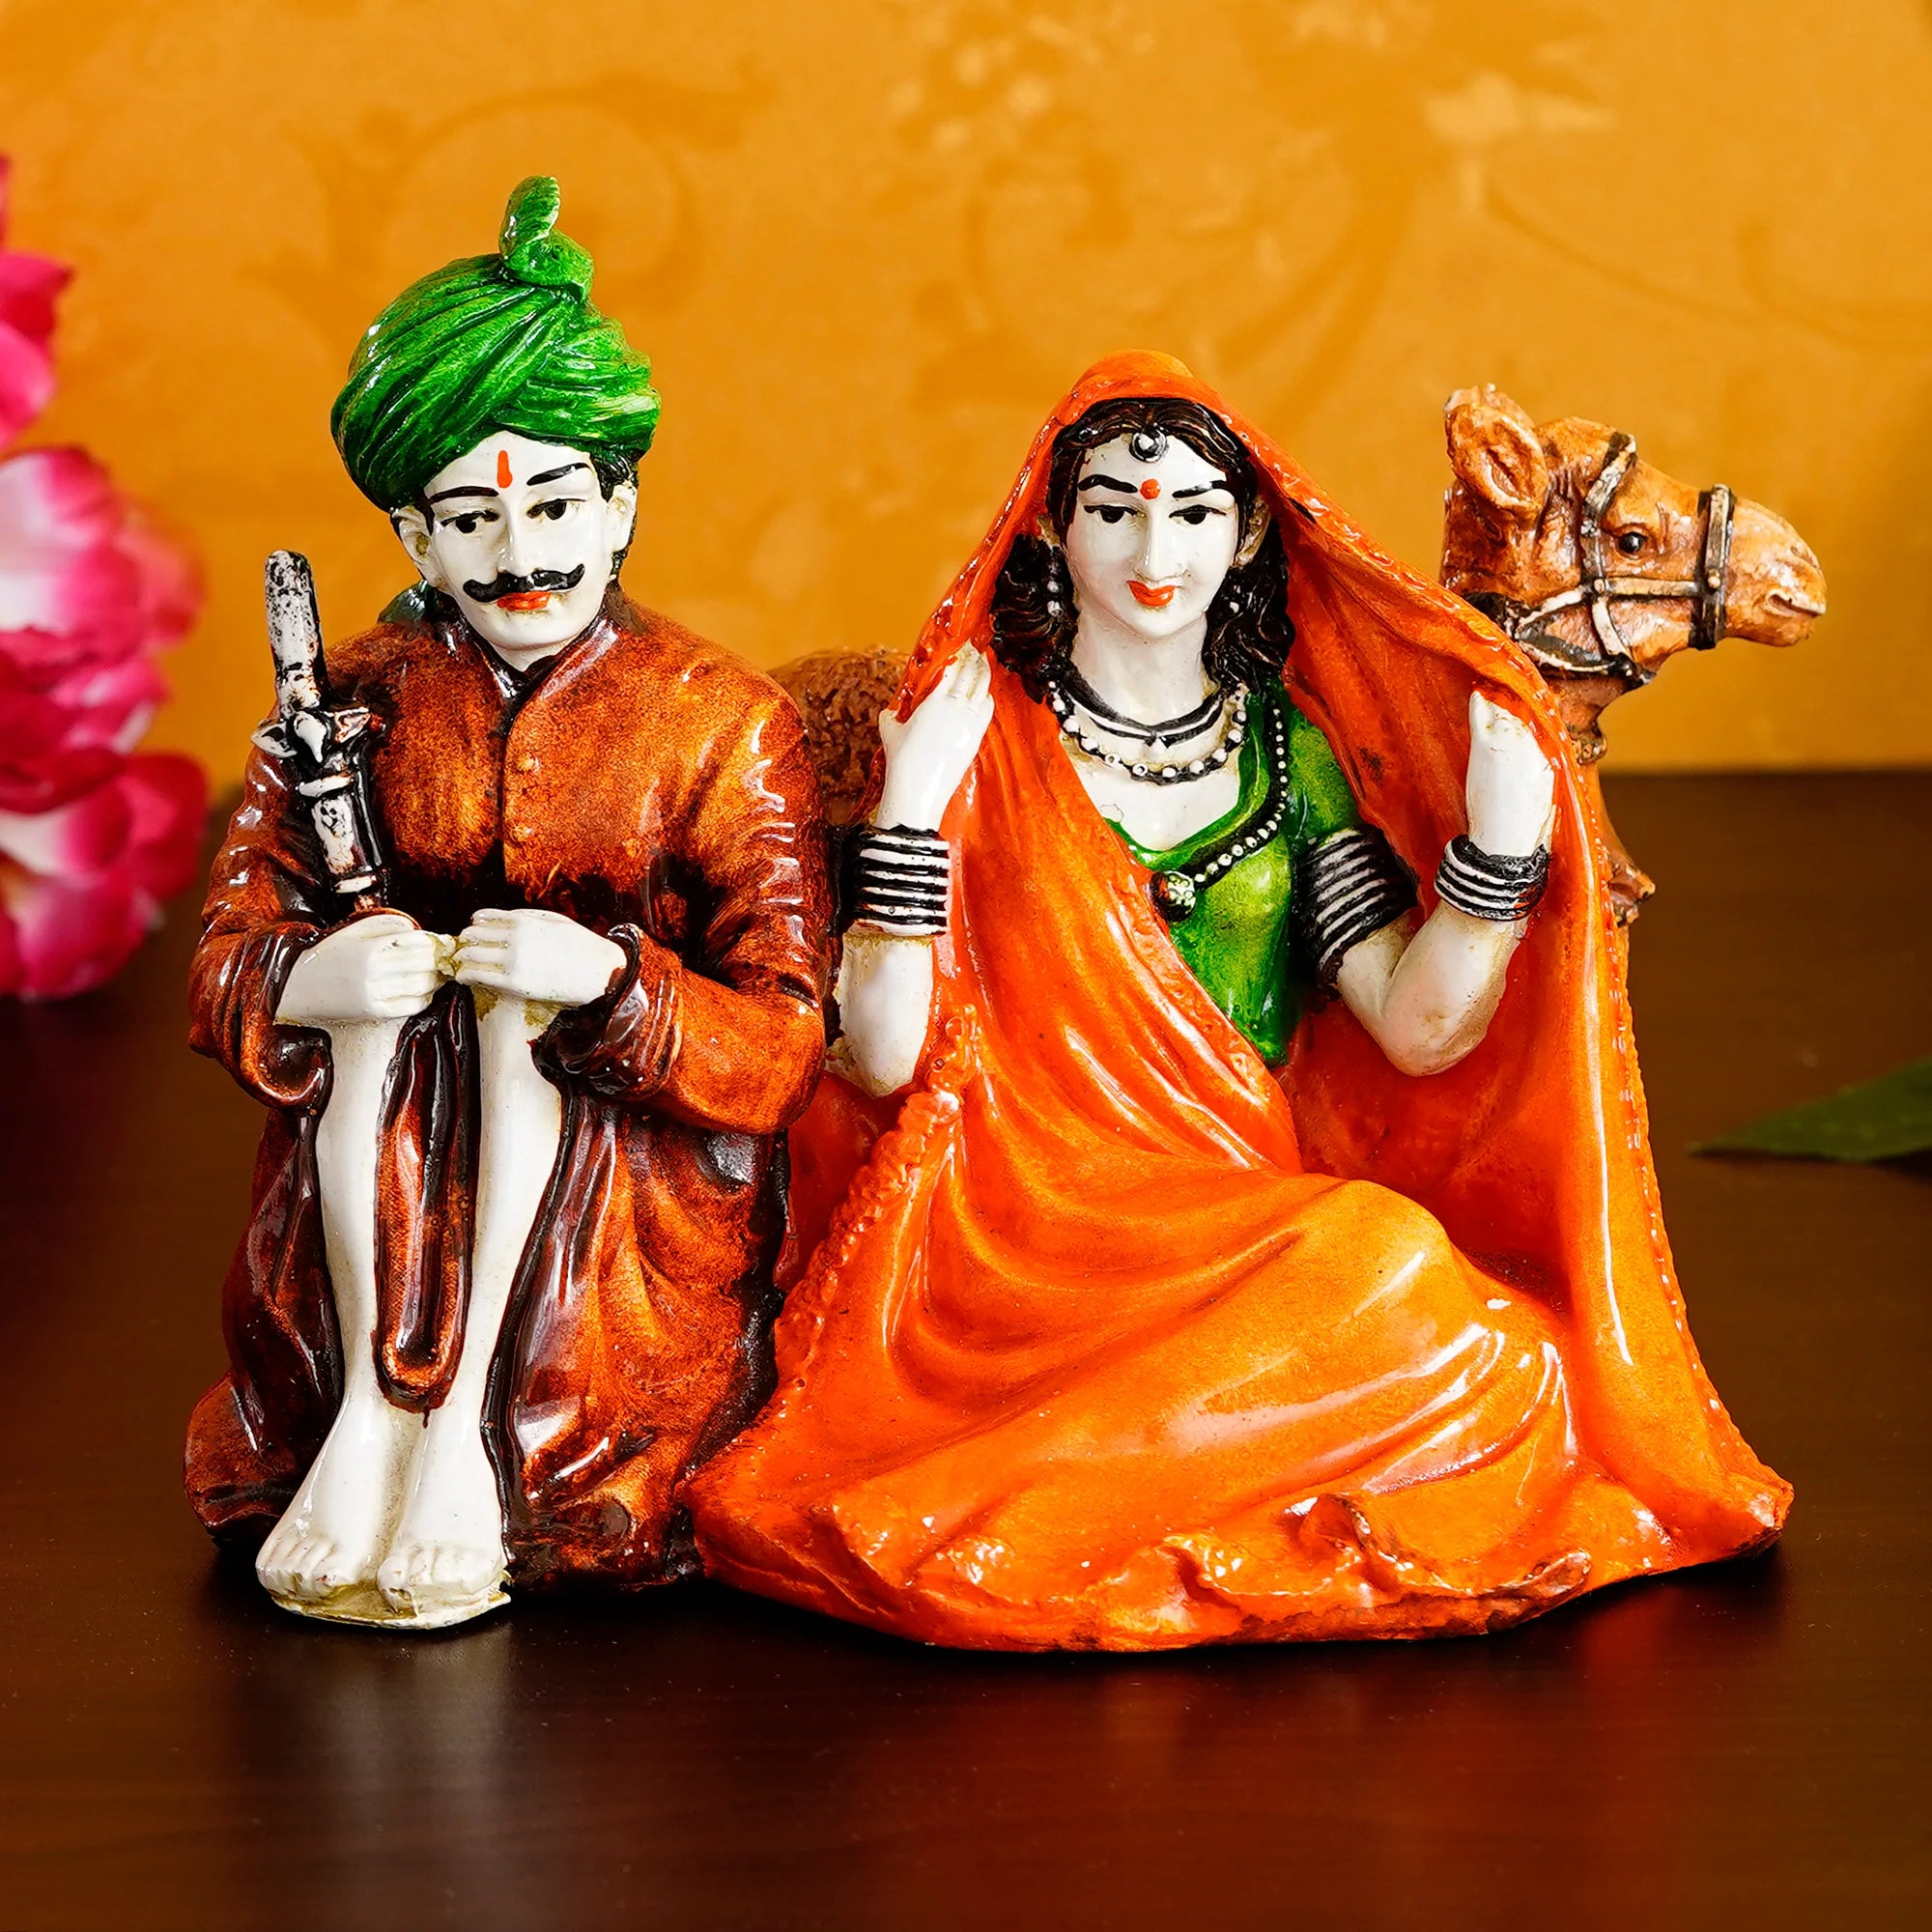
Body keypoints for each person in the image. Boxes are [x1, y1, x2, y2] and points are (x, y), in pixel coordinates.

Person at [689, 353, 1789, 1651]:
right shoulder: (978, 739)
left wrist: (1498, 859)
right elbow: (878, 1055)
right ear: (1053, 526)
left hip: (1236, 1205)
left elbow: (1417, 1028)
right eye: (1115, 510)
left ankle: (1062, 1489)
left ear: (1251, 532)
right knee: (1390, 1270)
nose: (1156, 551)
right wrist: (913, 816)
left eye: (1195, 512)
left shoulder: (1287, 751)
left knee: (1516, 1359)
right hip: (1018, 1220)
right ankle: (994, 1487)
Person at [185, 180, 832, 1628]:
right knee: (392, 1009)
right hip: (375, 1162)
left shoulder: (725, 726)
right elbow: (229, 945)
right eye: (473, 518)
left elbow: (783, 1042)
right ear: (416, 537)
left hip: (616, 1221)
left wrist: (613, 989)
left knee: (518, 1012)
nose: (520, 554)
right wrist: (305, 982)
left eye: (554, 504)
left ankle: (480, 1441)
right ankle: (366, 1419)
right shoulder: (347, 702)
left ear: (621, 503)